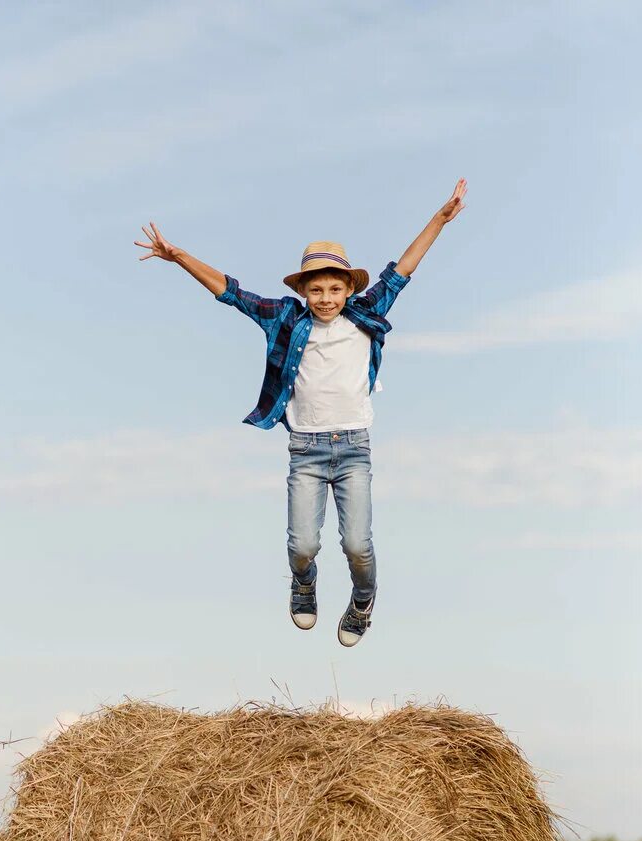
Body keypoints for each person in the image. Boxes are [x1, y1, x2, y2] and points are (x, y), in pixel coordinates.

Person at [134, 179, 466, 647]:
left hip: (353, 449)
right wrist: (180, 256)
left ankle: (363, 599)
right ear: (304, 291)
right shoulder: (288, 318)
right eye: (316, 289)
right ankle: (304, 583)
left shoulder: (365, 315)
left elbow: (403, 269)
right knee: (303, 546)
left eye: (334, 288)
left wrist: (438, 220)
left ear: (349, 289)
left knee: (357, 545)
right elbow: (233, 293)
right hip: (306, 450)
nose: (326, 297)